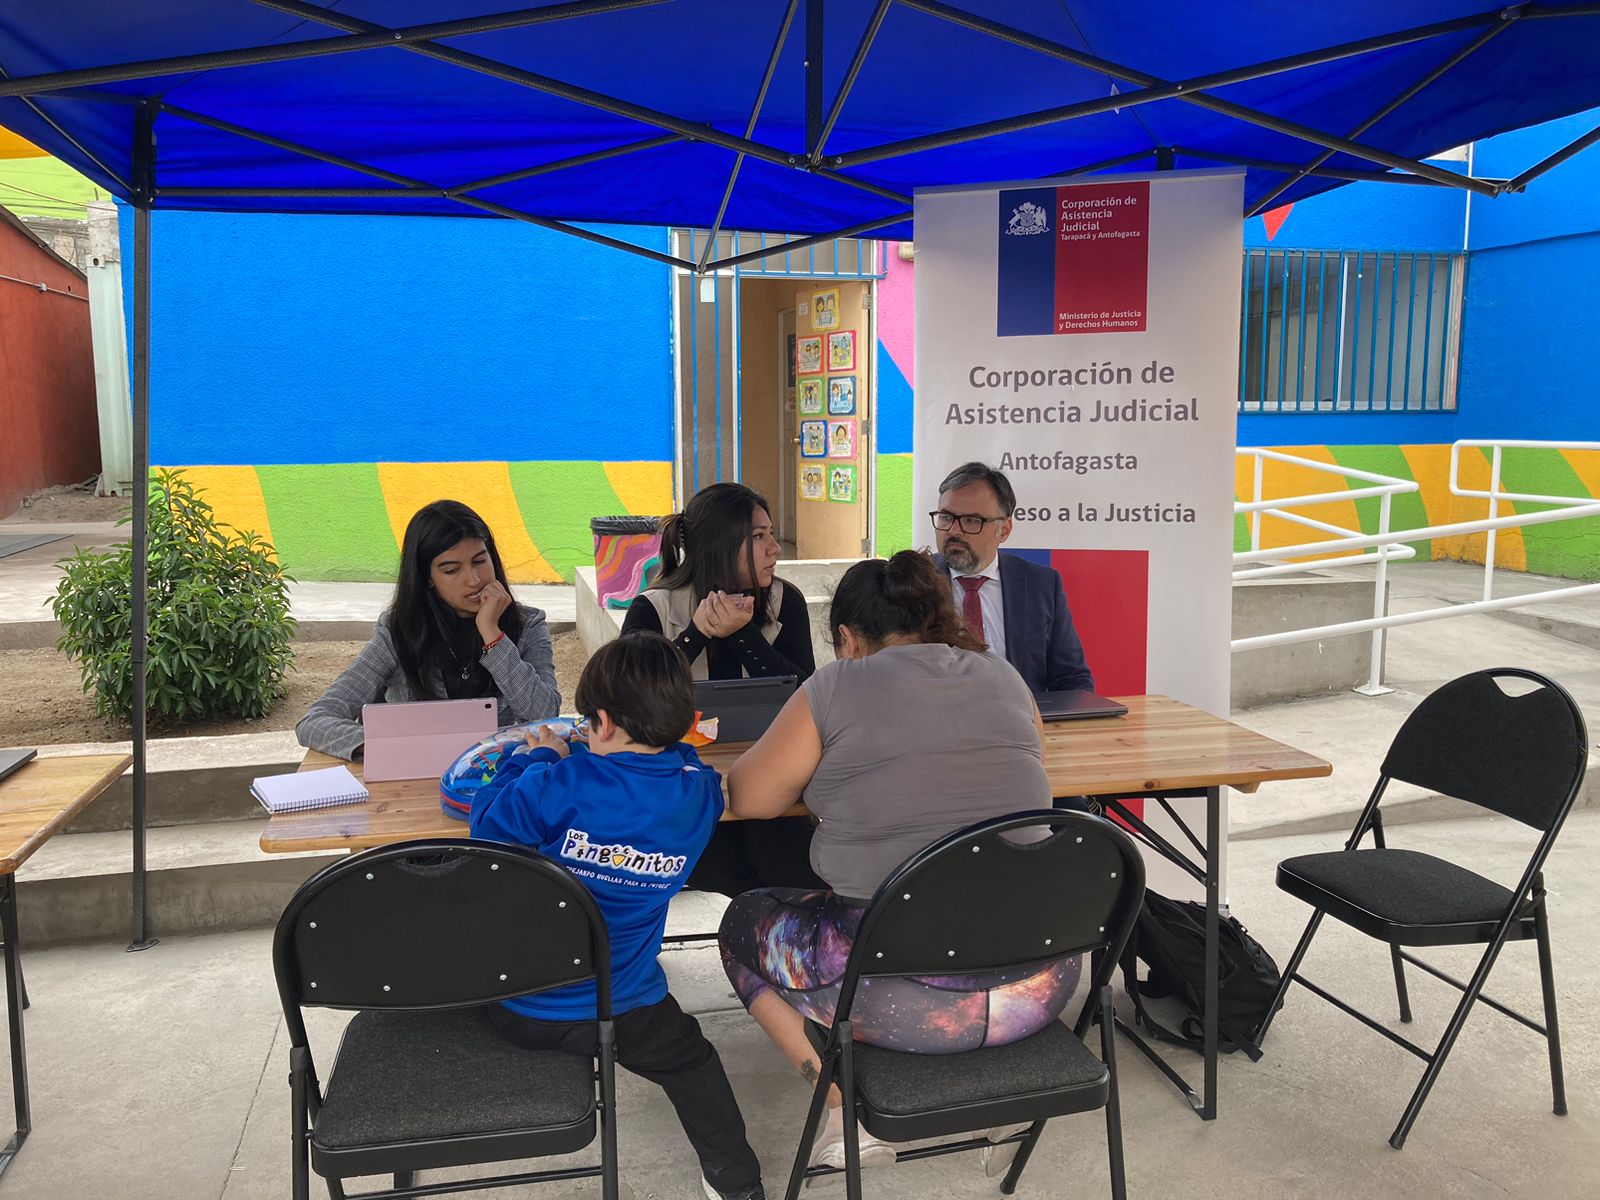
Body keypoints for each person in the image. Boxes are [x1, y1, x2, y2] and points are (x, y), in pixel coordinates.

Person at [716, 551, 1080, 1170]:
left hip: (894, 1004)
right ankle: (994, 1098)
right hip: (1041, 986)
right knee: (964, 920)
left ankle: (840, 1108)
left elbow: (750, 796)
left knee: (742, 924)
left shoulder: (835, 685)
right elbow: (1034, 759)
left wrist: (826, 774)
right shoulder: (1004, 675)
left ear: (848, 640)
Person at [466, 633, 766, 1200]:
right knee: (695, 1063)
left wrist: (535, 757)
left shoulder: (561, 782)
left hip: (522, 1004)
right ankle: (738, 1182)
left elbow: (489, 824)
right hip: (625, 1004)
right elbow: (687, 767)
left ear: (600, 721)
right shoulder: (700, 794)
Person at [623, 482, 821, 896]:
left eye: (771, 534)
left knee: (780, 854)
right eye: (758, 537)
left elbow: (805, 695)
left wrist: (743, 634)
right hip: (681, 786)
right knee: (727, 862)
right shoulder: (655, 608)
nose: (775, 549)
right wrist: (696, 634)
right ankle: (767, 930)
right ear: (719, 544)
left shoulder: (786, 602)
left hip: (771, 780)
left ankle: (779, 937)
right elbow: (632, 704)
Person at [296, 500, 560, 760]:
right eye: (452, 569)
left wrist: (492, 634)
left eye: (480, 561)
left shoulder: (528, 625)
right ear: (427, 578)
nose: (474, 579)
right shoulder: (399, 631)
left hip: (499, 783)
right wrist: (389, 747)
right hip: (413, 782)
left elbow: (545, 716)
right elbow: (317, 719)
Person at [930, 461, 1095, 694]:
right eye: (946, 517)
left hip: (1022, 724)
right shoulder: (910, 583)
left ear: (1004, 530)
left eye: (972, 521)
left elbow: (1072, 680)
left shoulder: (1041, 585)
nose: (954, 531)